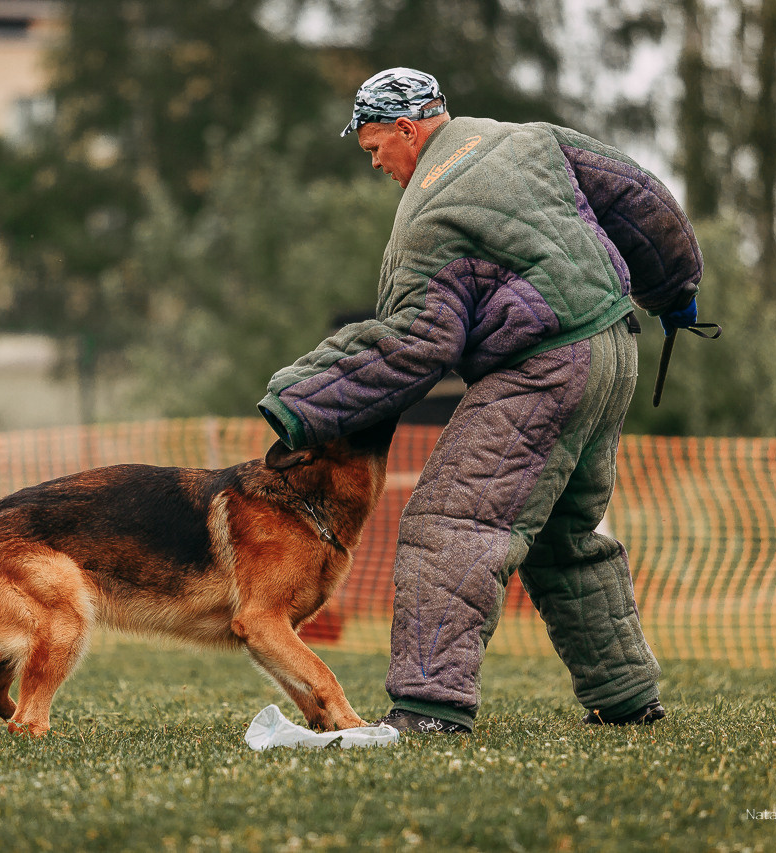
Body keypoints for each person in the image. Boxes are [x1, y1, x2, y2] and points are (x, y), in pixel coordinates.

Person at [257, 68, 702, 734]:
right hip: (614, 348)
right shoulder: (529, 139)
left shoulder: (430, 209)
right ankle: (627, 694)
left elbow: (415, 342)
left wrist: (297, 398)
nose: (375, 160)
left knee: (452, 525)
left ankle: (431, 706)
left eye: (375, 145)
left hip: (543, 367)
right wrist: (675, 291)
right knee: (564, 535)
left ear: (408, 128)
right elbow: (641, 197)